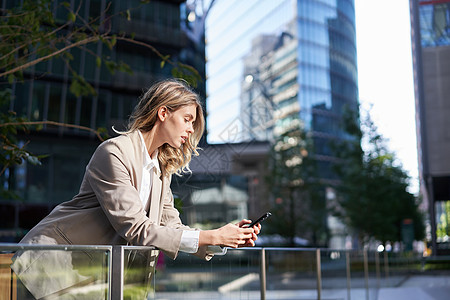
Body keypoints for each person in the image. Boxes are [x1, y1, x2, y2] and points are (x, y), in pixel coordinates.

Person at [11, 79, 261, 299]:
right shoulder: (114, 152)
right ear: (163, 112)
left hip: (91, 278)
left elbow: (171, 228)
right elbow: (135, 228)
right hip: (51, 267)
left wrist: (226, 238)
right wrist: (213, 236)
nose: (190, 130)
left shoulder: (161, 170)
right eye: (187, 120)